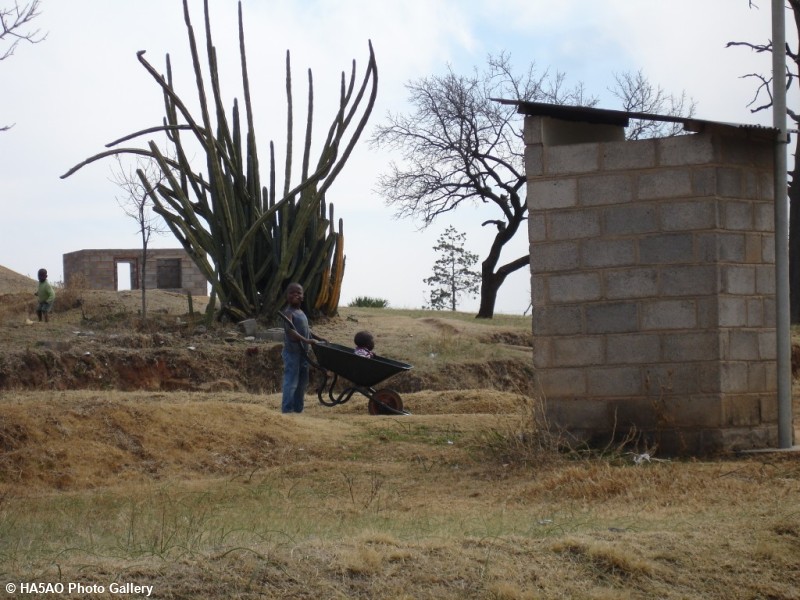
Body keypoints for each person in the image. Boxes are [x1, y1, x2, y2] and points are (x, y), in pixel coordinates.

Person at [280, 282, 325, 414]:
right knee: (291, 381)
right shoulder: (288, 313)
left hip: (304, 353)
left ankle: (298, 409)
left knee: (302, 383)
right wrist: (307, 340)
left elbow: (307, 331)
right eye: (292, 293)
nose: (296, 295)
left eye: (298, 293)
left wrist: (320, 338)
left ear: (303, 296)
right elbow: (291, 333)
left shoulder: (301, 312)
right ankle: (287, 410)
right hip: (292, 353)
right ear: (287, 296)